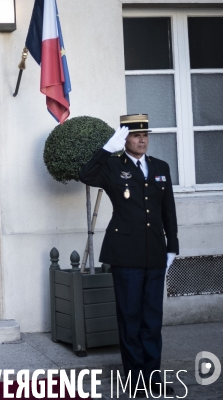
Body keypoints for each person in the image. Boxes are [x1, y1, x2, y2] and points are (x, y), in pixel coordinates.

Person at [79, 114, 178, 398]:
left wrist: (172, 246)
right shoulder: (112, 166)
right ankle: (135, 379)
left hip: (155, 253)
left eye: (145, 135)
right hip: (125, 254)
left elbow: (167, 210)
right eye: (136, 136)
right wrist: (106, 149)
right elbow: (86, 176)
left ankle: (153, 377)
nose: (142, 140)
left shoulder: (160, 167)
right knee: (130, 317)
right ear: (125, 140)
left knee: (152, 319)